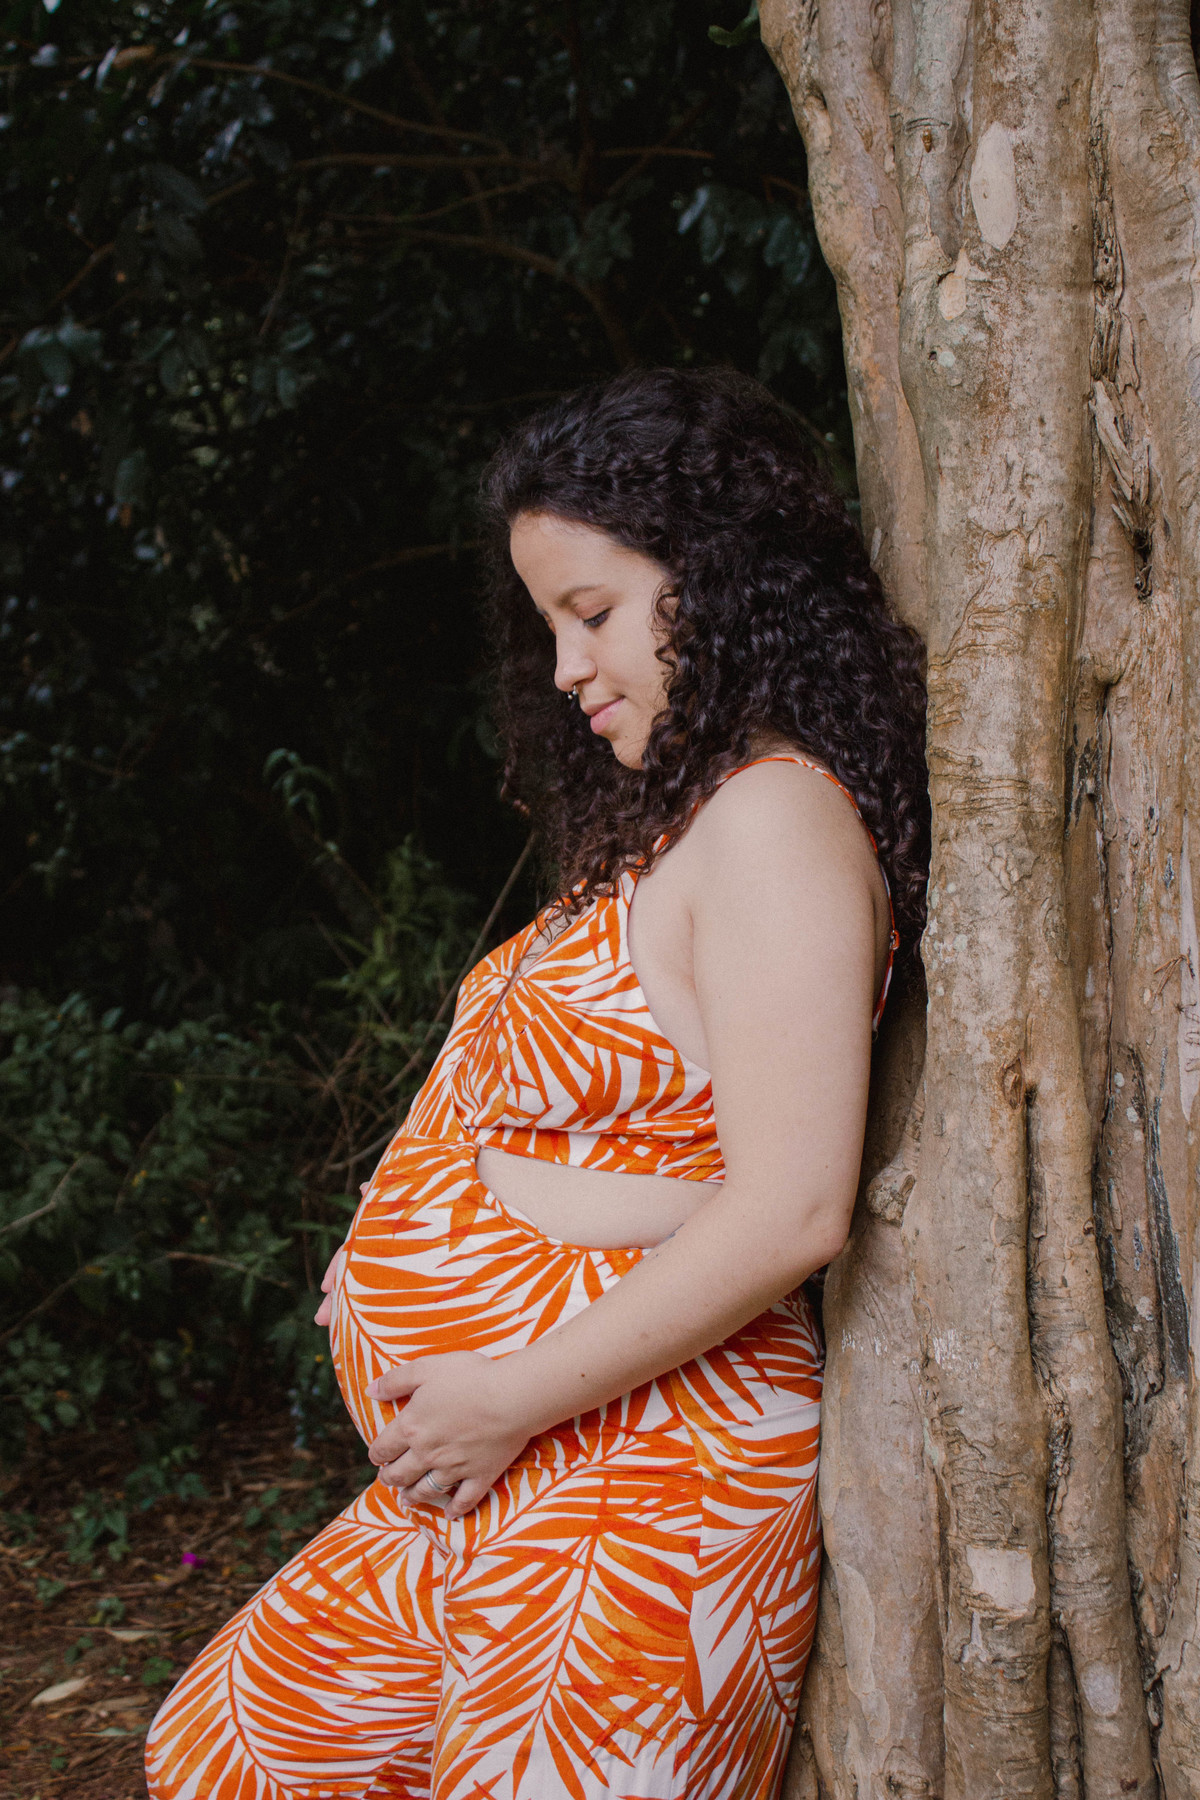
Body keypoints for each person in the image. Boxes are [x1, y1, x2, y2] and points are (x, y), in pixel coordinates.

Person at [145, 367, 928, 1800]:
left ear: (726, 580)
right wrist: (400, 1242)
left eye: (595, 612)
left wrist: (506, 1389)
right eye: (548, 627)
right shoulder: (674, 825)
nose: (567, 670)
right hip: (511, 1454)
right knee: (229, 1754)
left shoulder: (775, 821)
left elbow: (796, 1203)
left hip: (645, 1458)